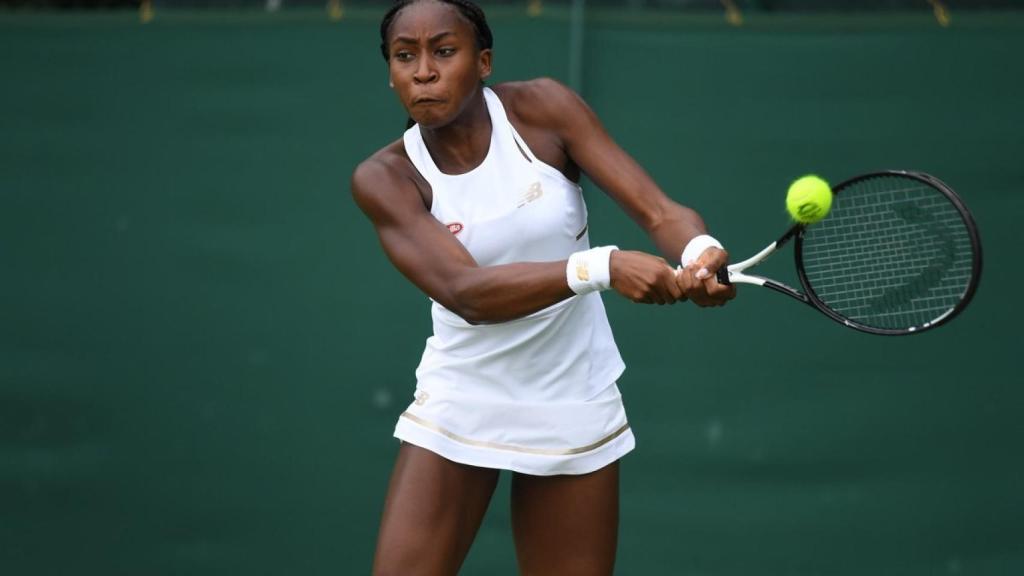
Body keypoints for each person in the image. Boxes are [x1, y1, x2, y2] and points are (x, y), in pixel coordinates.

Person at [351, 1, 735, 573]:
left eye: (444, 51)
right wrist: (599, 267)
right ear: (390, 73)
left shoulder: (542, 109)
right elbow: (466, 291)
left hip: (572, 395)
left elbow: (658, 211)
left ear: (483, 62)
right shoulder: (385, 178)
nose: (423, 71)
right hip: (462, 398)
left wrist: (699, 253)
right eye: (405, 56)